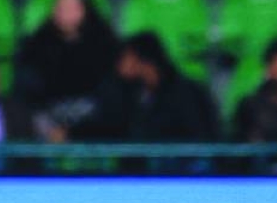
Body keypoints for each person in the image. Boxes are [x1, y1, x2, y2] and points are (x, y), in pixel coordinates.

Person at [14, 0, 117, 141]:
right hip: (49, 118)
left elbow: (109, 100)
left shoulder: (105, 44)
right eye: (60, 6)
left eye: (72, 7)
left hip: (91, 119)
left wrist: (74, 132)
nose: (65, 12)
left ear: (85, 9)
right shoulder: (36, 45)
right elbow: (29, 96)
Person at [80, 31, 218, 141]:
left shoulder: (187, 93)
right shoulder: (131, 93)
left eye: (125, 57)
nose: (119, 64)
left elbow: (200, 138)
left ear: (141, 59)